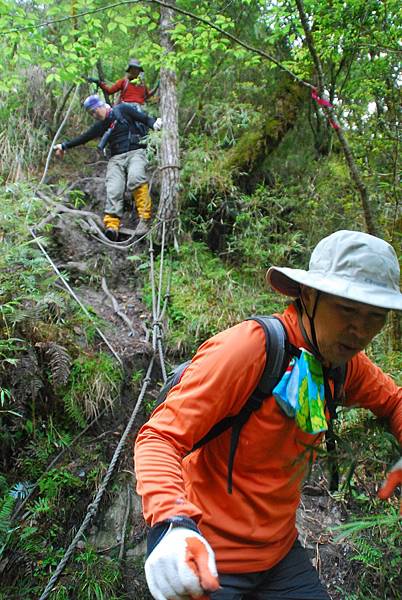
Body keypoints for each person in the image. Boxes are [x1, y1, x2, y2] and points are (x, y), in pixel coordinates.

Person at [134, 230, 402, 600]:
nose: (360, 330)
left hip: (279, 556)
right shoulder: (251, 349)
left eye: (376, 316)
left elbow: (393, 401)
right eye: (347, 309)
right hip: (207, 554)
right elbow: (159, 438)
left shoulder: (344, 364)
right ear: (309, 296)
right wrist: (171, 523)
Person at [54, 94, 162, 240]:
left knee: (135, 178)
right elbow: (84, 138)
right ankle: (112, 225)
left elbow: (142, 118)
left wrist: (155, 123)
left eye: (94, 111)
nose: (94, 115)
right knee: (113, 187)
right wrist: (64, 146)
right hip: (116, 158)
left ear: (101, 105)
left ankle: (144, 219)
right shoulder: (100, 125)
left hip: (136, 152)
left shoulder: (123, 109)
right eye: (90, 113)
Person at [89, 58, 158, 109]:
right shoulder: (123, 82)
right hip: (126, 108)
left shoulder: (142, 85)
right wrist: (99, 83)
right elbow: (109, 91)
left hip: (139, 108)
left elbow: (147, 96)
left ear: (139, 71)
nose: (135, 71)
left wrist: (156, 87)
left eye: (137, 69)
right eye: (133, 69)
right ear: (130, 70)